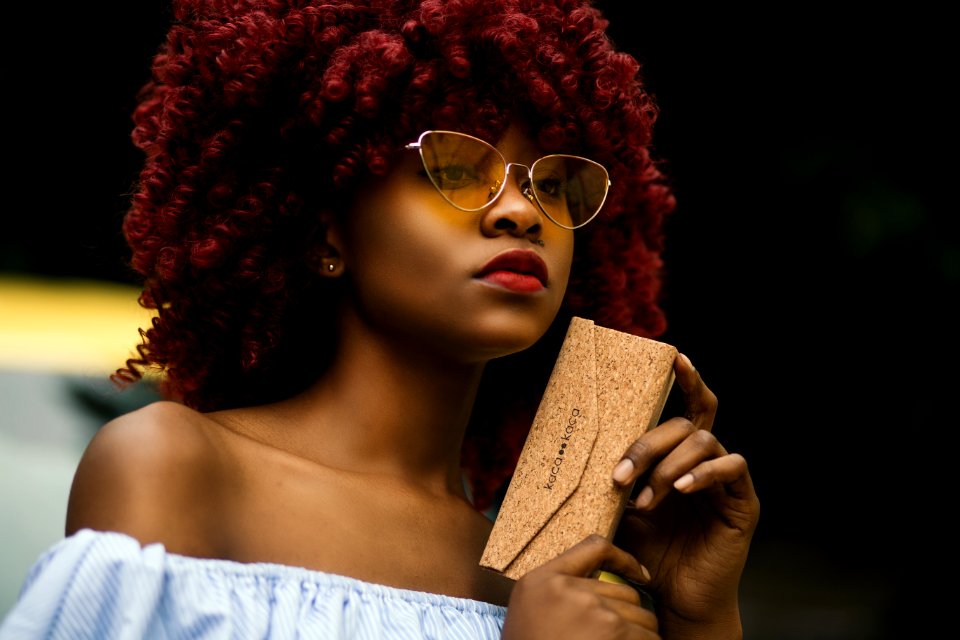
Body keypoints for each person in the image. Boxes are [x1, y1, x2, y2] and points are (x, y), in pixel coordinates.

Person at [0, 1, 759, 638]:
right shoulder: (173, 466)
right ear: (326, 228)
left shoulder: (546, 566)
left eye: (555, 184)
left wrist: (701, 617)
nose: (525, 212)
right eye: (458, 170)